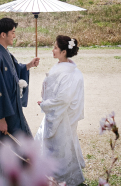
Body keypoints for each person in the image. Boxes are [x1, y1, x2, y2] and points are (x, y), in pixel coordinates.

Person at [0, 17, 40, 176]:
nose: (14, 36)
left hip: (12, 109)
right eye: (13, 33)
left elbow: (15, 69)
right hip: (4, 114)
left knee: (21, 143)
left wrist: (29, 65)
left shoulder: (4, 53)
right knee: (10, 145)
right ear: (3, 34)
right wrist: (1, 118)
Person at [34, 35, 85, 186]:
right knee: (62, 145)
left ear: (63, 52)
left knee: (58, 147)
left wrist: (46, 104)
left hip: (62, 116)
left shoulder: (69, 73)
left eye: (55, 47)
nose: (52, 50)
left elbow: (63, 99)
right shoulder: (67, 68)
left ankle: (58, 176)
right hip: (59, 112)